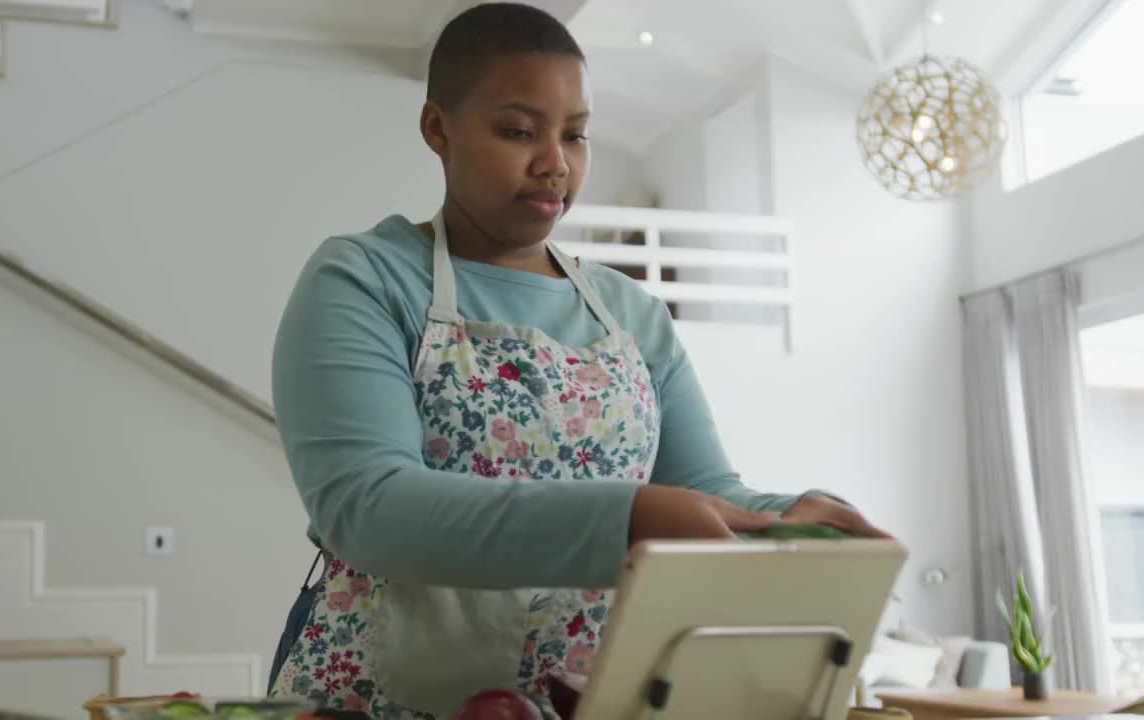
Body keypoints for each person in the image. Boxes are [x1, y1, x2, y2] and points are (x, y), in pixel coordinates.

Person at [266, 3, 889, 717]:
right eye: (518, 132)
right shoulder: (365, 279)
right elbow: (369, 509)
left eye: (577, 136)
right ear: (438, 128)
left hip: (590, 699)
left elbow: (707, 489)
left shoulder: (630, 313)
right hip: (382, 698)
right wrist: (629, 518)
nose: (555, 164)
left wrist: (785, 520)